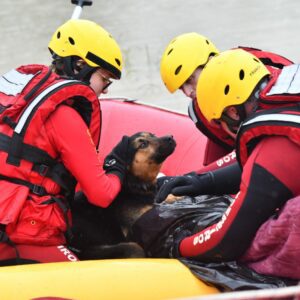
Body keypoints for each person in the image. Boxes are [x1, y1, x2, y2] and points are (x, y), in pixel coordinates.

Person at [0, 19, 135, 265]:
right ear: (80, 65)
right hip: (19, 236)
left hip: (6, 218)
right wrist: (119, 166)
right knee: (103, 275)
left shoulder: (18, 96)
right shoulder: (63, 116)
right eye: (105, 79)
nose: (105, 90)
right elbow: (101, 195)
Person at [156, 48, 300, 262]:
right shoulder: (285, 84)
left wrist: (175, 246)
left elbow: (225, 242)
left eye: (220, 122)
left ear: (233, 112)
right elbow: (266, 169)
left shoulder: (273, 152)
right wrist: (201, 182)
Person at [160, 33, 293, 170]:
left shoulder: (255, 72)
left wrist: (203, 178)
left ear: (210, 61)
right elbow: (217, 159)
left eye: (190, 80)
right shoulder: (199, 109)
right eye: (182, 88)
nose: (188, 93)